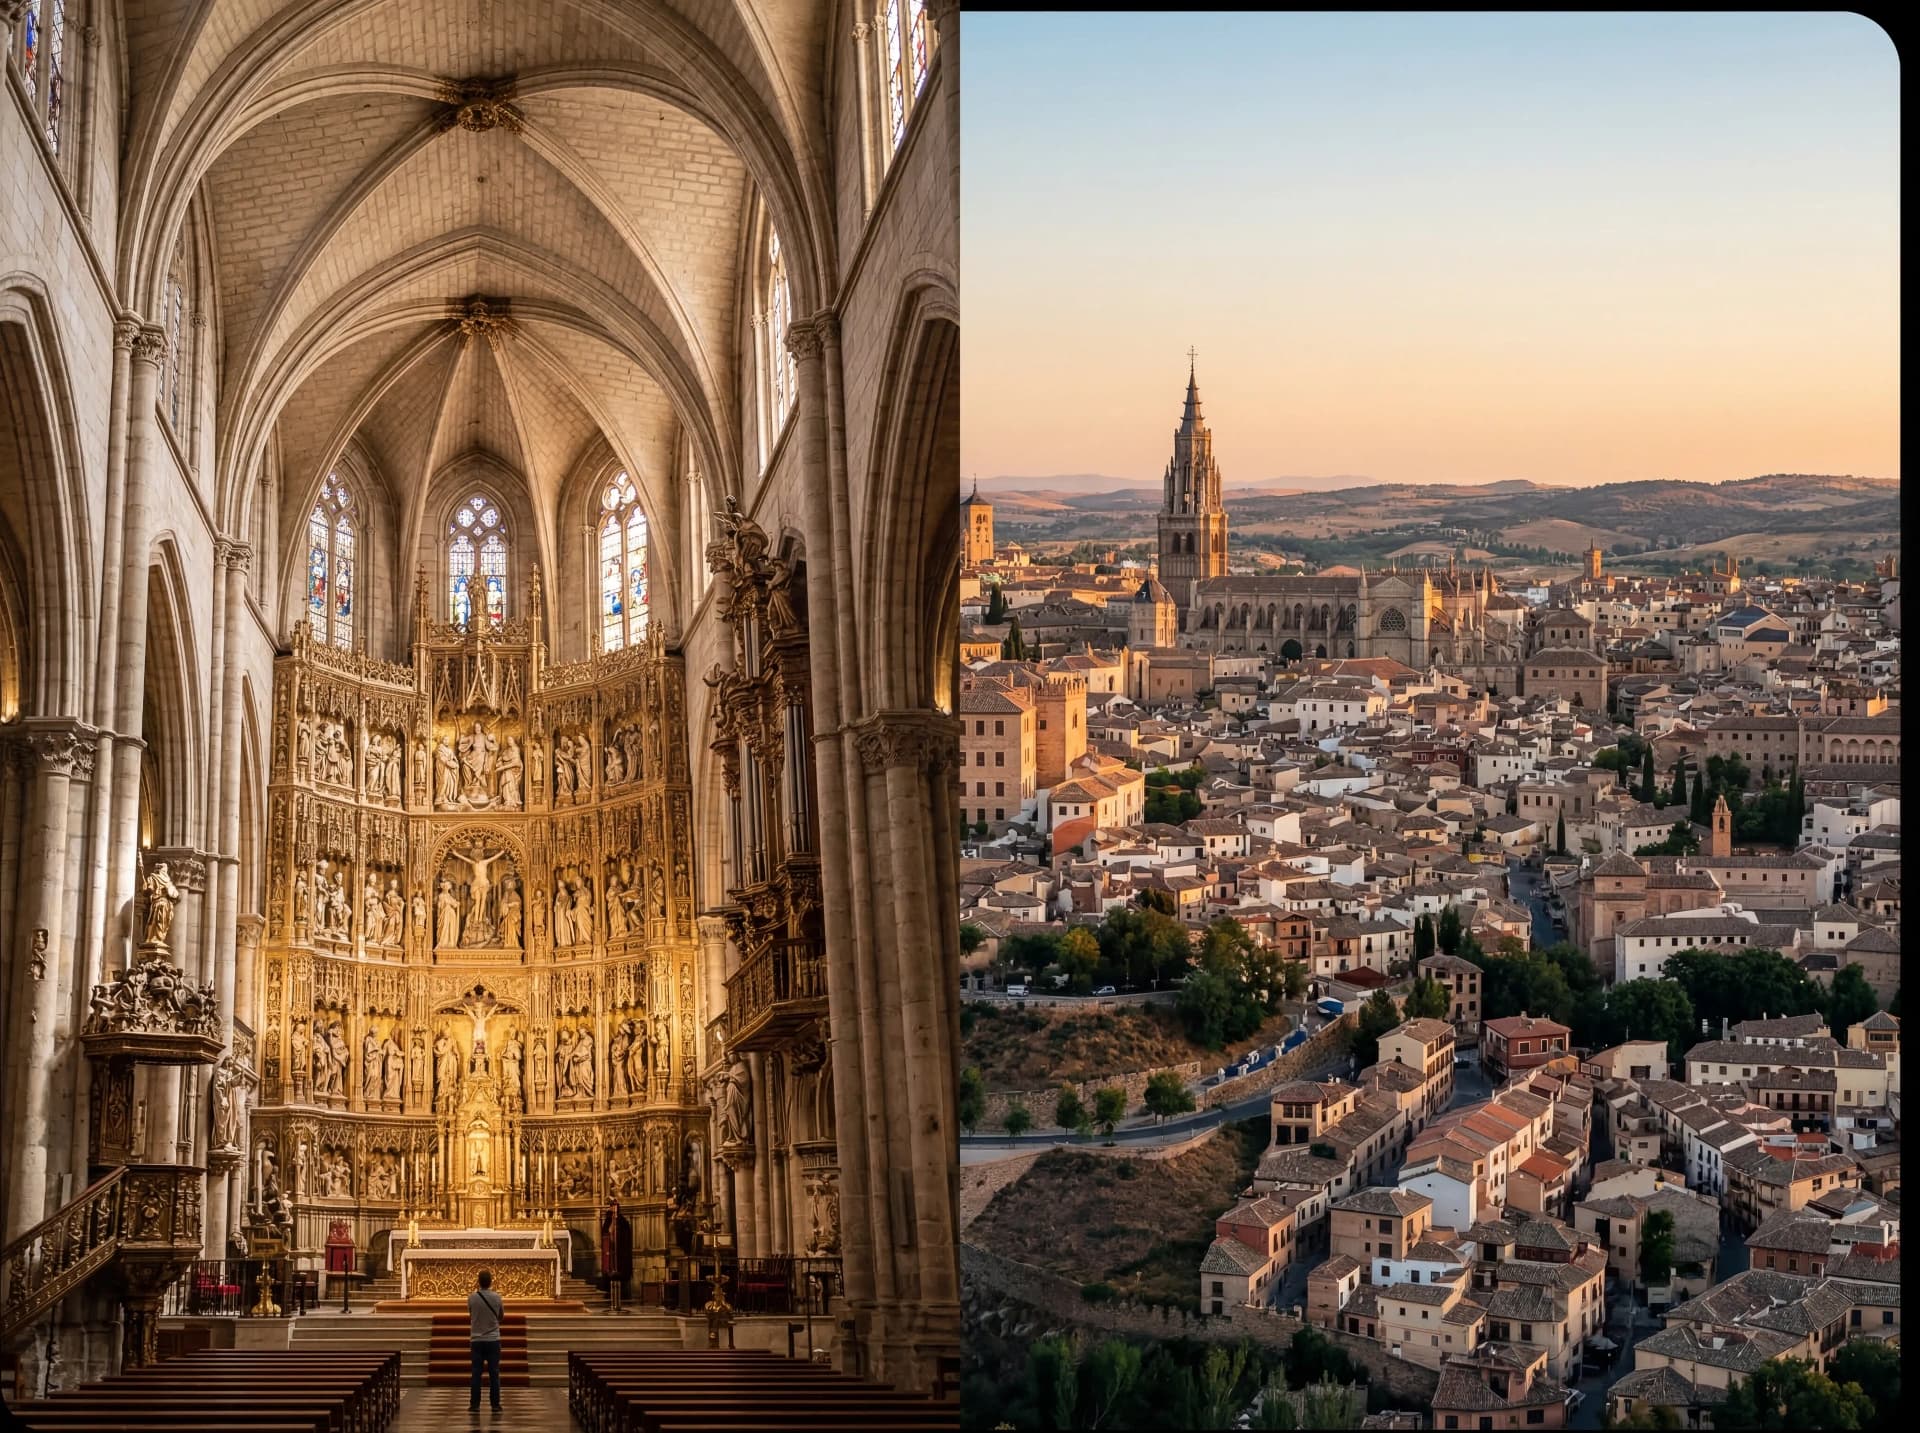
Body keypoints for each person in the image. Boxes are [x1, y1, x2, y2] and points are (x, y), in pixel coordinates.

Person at [468, 1268, 504, 1412]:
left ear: (478, 1282)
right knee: (494, 1373)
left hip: (476, 1339)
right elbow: (501, 1316)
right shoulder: (497, 1297)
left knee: (476, 1373)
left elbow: (471, 1314)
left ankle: (474, 1404)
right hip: (493, 1339)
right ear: (490, 1282)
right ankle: (495, 1404)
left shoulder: (472, 1297)